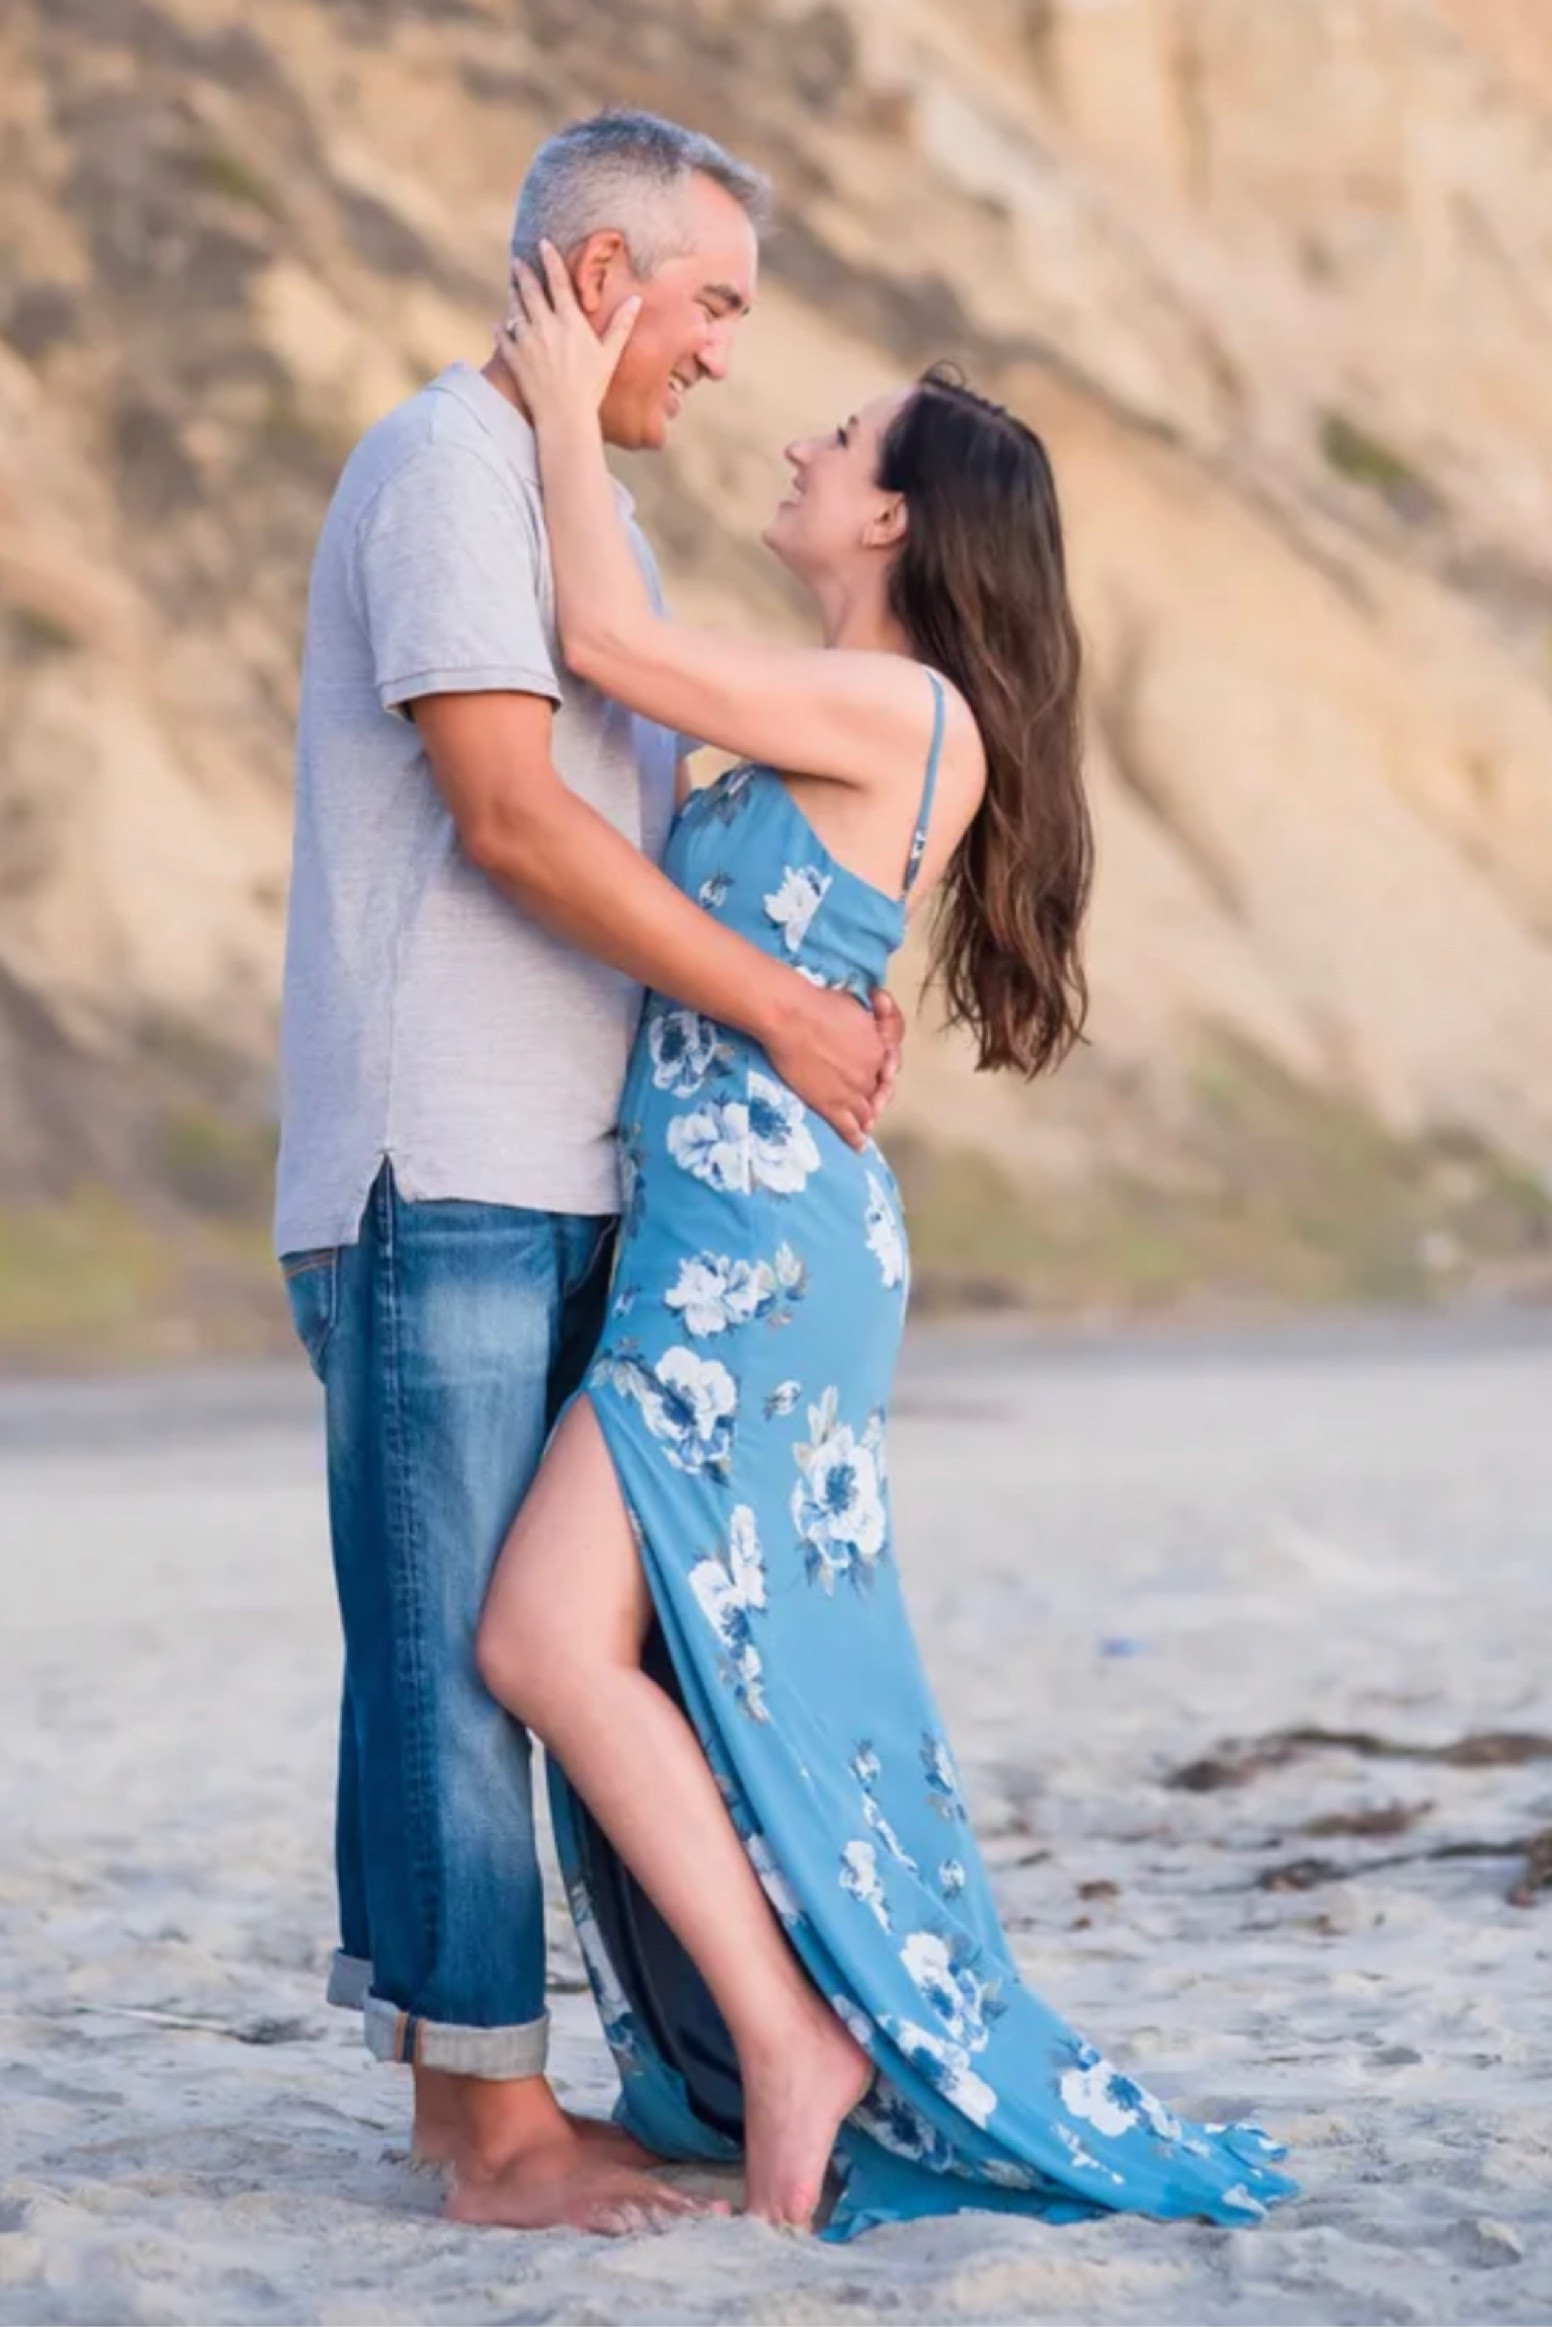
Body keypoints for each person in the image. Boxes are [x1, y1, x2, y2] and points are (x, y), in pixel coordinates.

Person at [473, 248, 1300, 2239]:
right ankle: (777, 2032)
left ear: (896, 520)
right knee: (599, 1648)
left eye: (833, 439)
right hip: (733, 1234)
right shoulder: (842, 713)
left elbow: (591, 628)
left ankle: (786, 2035)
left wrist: (569, 402)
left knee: (540, 1640)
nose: (793, 438)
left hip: (751, 1257)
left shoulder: (896, 703)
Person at [274, 112, 902, 2235]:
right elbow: (513, 821)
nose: (725, 352)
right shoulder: (447, 466)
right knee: (459, 1653)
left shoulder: (571, 516)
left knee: (523, 1650)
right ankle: (491, 2131)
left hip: (563, 1174)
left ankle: (496, 2104)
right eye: (713, 300)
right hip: (435, 1157)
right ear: (601, 278)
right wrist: (790, 1013)